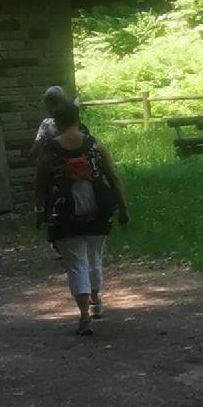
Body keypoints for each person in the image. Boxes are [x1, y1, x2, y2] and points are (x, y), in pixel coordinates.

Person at [32, 87, 129, 336]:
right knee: (94, 257)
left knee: (76, 263)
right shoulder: (95, 145)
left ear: (57, 123)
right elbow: (114, 177)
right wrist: (122, 207)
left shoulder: (50, 150)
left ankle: (84, 314)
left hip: (64, 211)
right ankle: (96, 300)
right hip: (99, 206)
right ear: (78, 119)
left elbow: (40, 184)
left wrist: (40, 211)